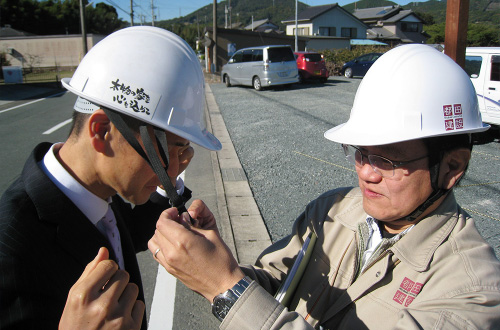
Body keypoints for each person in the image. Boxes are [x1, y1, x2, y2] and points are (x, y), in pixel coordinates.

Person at [148, 44, 500, 329]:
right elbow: (275, 284)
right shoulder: (333, 211)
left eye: (388, 161)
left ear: (452, 167)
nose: (366, 173)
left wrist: (225, 288)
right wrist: (216, 263)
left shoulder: (472, 293)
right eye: (361, 152)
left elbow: (239, 297)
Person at [0, 26, 221, 329]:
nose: (178, 167)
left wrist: (170, 204)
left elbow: (121, 230)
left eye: (186, 152)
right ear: (103, 132)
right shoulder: (10, 248)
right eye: (172, 151)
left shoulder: (98, 187)